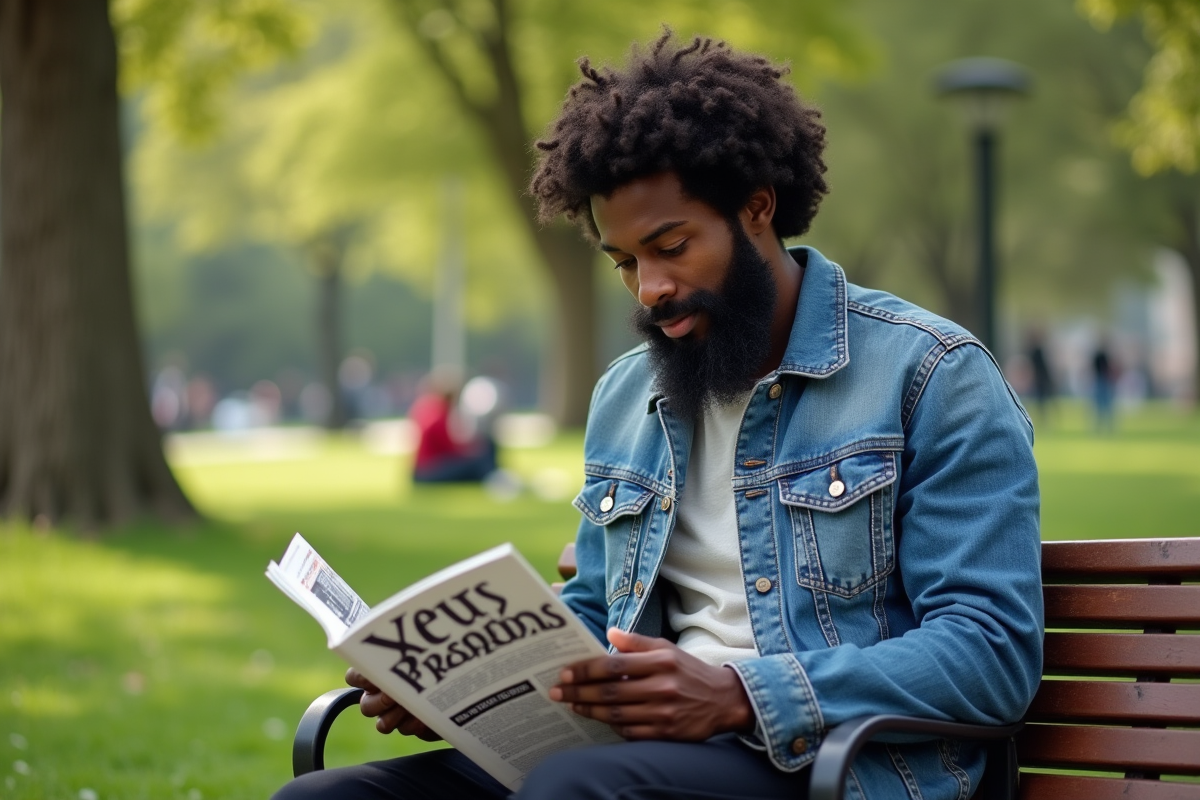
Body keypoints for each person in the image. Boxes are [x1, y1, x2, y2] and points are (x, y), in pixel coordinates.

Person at [274, 29, 1042, 800]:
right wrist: (461, 694)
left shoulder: (930, 375)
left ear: (757, 210)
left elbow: (990, 652)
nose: (649, 288)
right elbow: (598, 608)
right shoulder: (628, 394)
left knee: (577, 791)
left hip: (833, 769)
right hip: (636, 751)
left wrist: (740, 693)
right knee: (324, 799)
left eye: (671, 246)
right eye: (625, 263)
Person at [409, 371, 497, 484]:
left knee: (480, 458)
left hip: (425, 470)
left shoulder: (425, 407)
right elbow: (447, 448)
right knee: (479, 460)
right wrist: (471, 451)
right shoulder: (438, 413)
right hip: (429, 472)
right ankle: (495, 479)